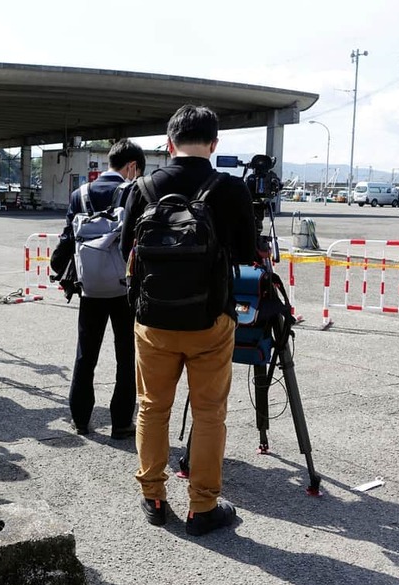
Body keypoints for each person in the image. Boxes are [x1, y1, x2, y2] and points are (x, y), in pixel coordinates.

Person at [120, 105, 258, 535]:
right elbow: (248, 253)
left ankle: (154, 497)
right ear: (214, 144)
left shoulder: (142, 186)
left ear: (168, 142)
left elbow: (127, 247)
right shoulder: (231, 189)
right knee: (209, 414)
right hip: (210, 321)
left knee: (151, 408)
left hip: (153, 321)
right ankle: (202, 507)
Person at [59, 139, 145, 439]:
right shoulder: (133, 191)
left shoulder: (79, 194)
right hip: (125, 288)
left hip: (90, 286)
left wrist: (62, 273)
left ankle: (81, 419)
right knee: (126, 355)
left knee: (86, 354)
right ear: (131, 166)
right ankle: (122, 422)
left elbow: (66, 239)